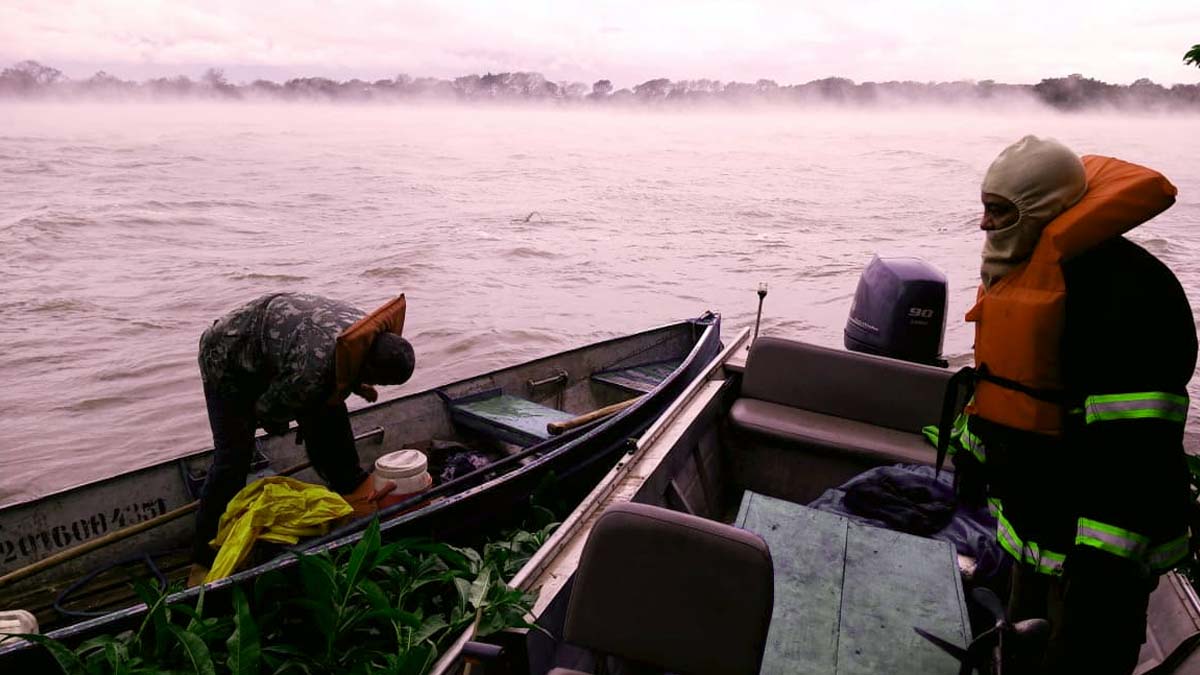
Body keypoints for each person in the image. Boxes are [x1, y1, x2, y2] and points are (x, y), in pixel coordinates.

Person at [948, 135, 1195, 673]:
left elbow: (1137, 451)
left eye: (999, 212)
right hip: (1035, 527)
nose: (985, 226)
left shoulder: (1131, 294)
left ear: (1043, 210)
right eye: (985, 209)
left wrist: (1100, 566)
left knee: (1079, 662)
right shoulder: (1028, 273)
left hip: (1098, 554)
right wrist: (973, 453)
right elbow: (1006, 392)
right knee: (1017, 653)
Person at [189, 292, 415, 584]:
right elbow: (268, 412)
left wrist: (348, 387)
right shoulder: (313, 367)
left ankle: (351, 486)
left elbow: (332, 374)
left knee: (328, 408)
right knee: (234, 455)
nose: (378, 386)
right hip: (227, 357)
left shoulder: (365, 333)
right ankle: (201, 561)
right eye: (379, 380)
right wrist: (297, 416)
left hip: (274, 346)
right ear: (369, 364)